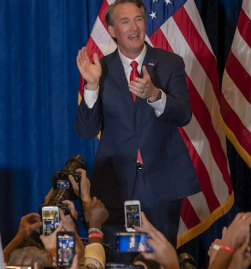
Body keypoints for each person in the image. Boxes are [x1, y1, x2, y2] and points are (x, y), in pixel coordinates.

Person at [75, 0, 200, 249]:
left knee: (159, 260)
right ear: (112, 30)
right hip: (116, 185)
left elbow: (184, 115)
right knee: (120, 261)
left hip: (161, 184)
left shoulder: (170, 63)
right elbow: (86, 131)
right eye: (125, 21)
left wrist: (155, 95)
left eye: (138, 19)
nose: (134, 27)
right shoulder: (100, 69)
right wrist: (91, 86)